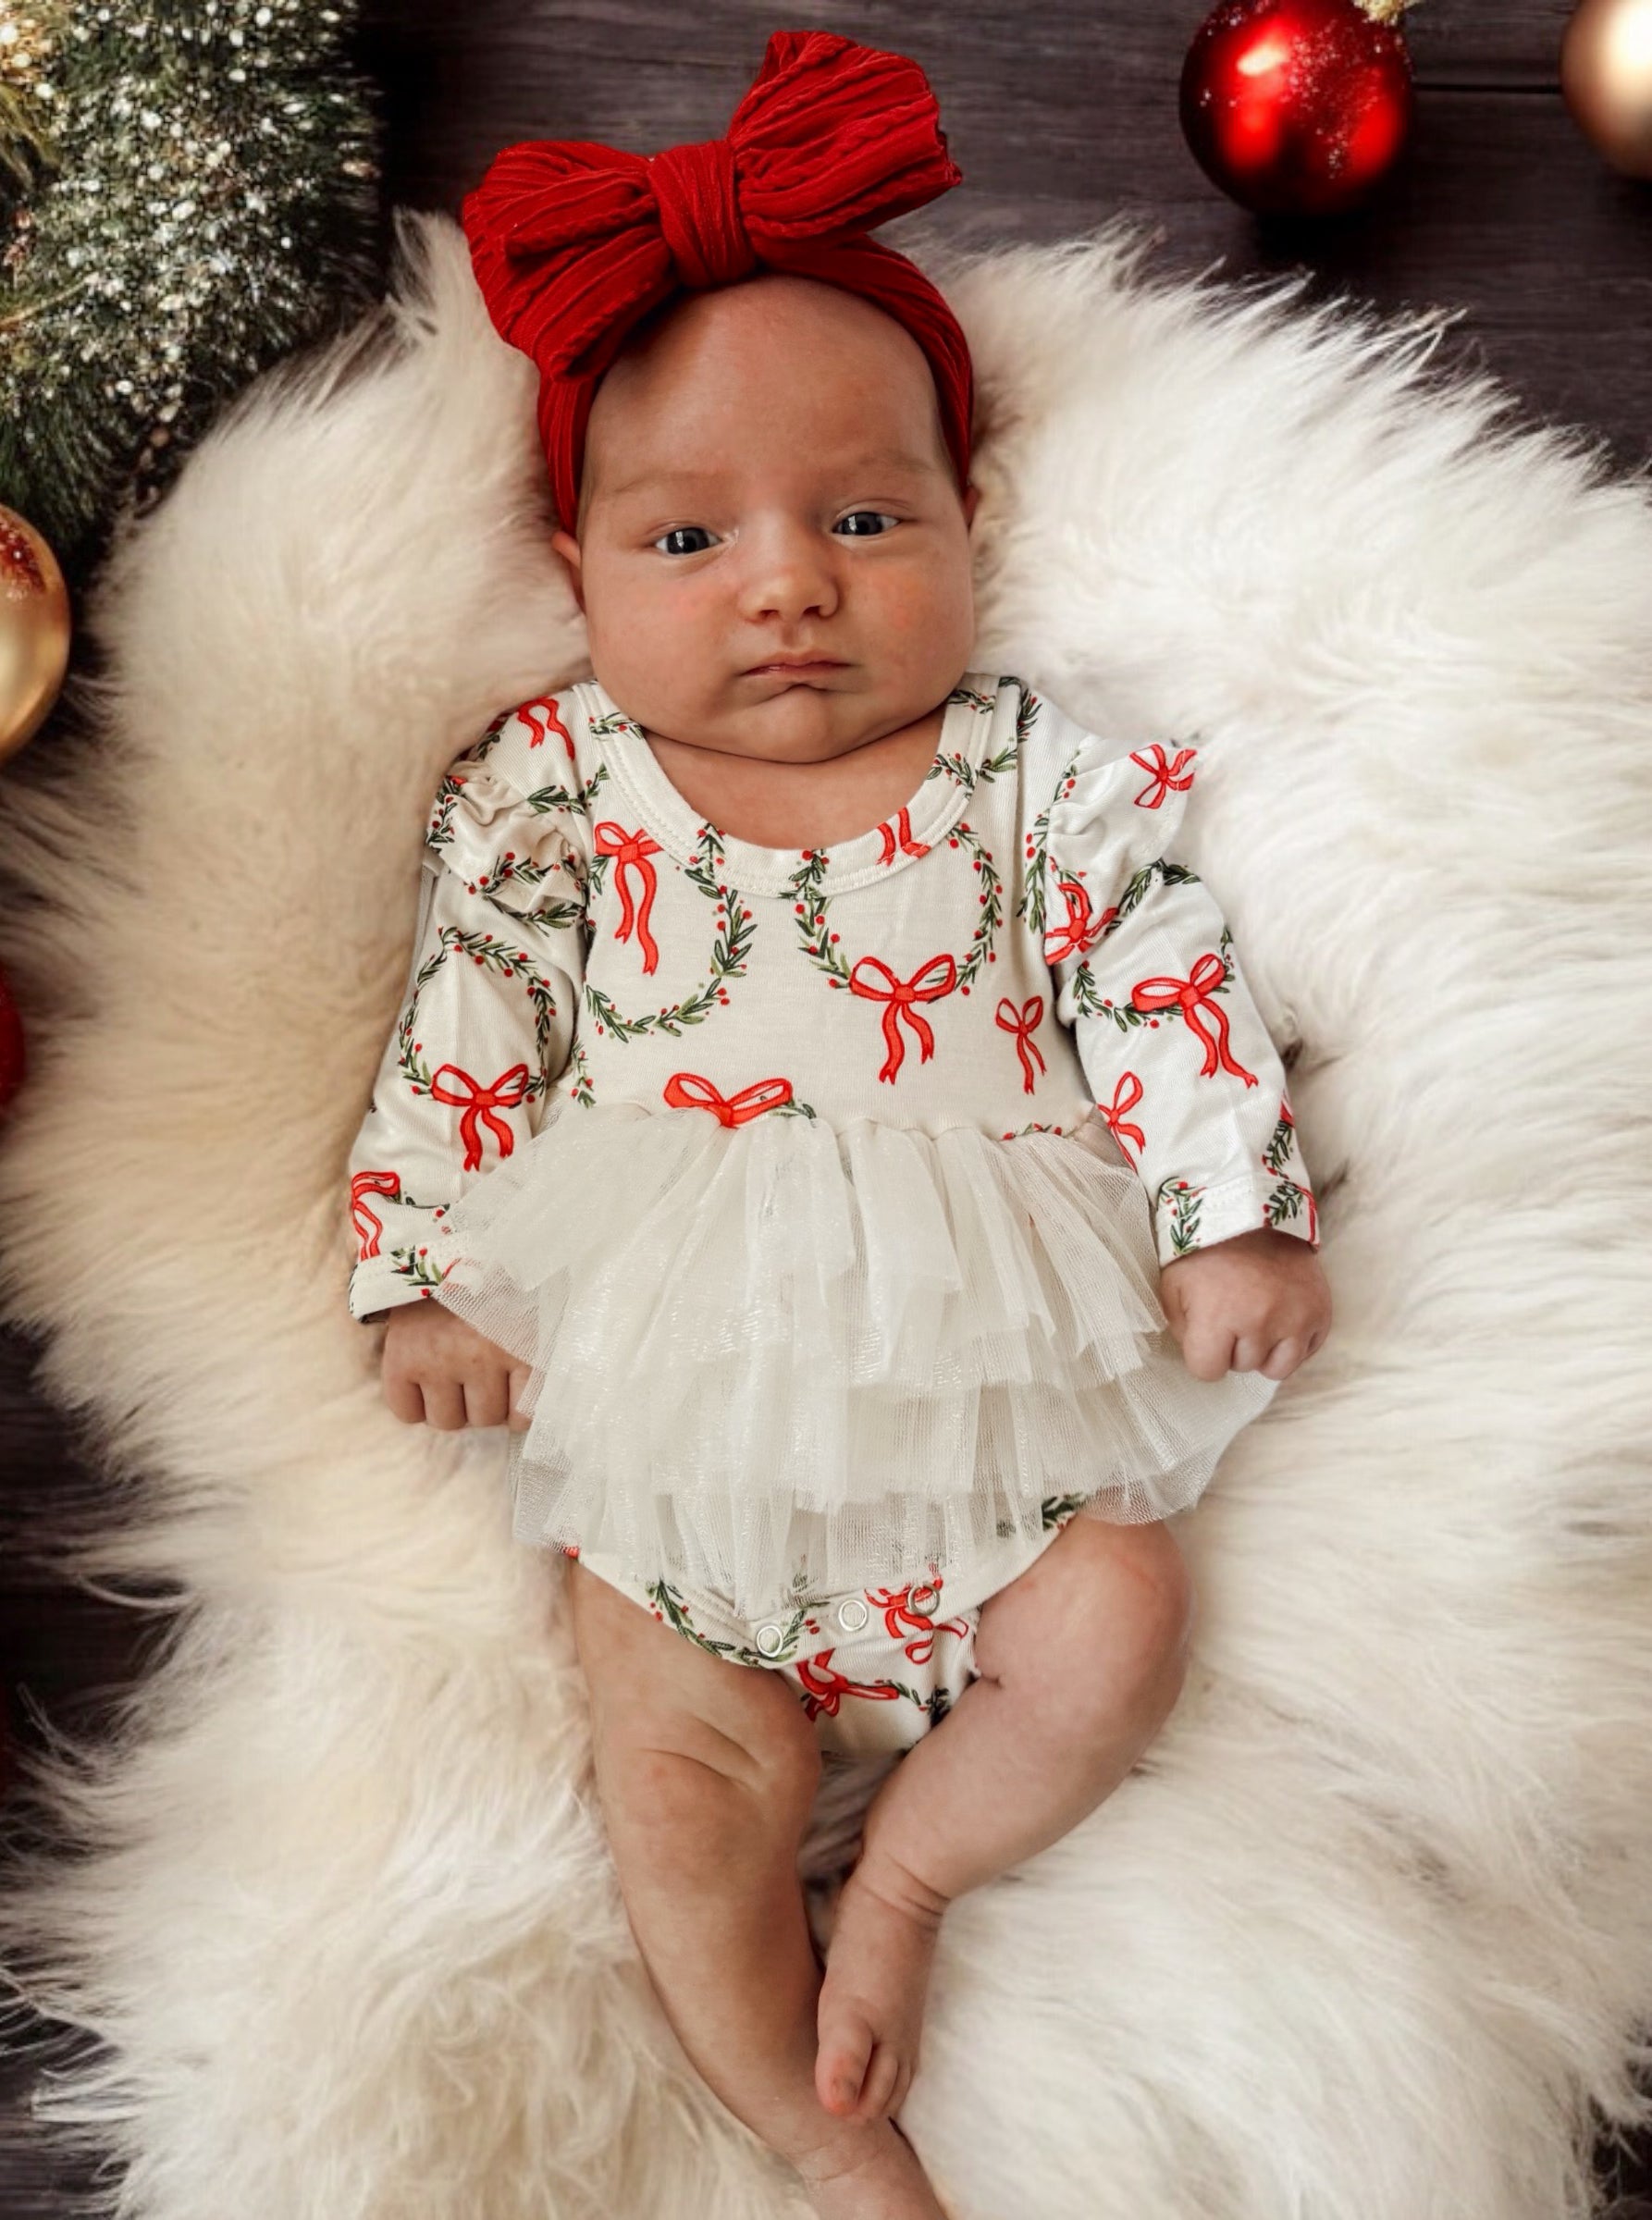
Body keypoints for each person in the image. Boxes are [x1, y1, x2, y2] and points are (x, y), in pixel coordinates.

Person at [343, 31, 1333, 2220]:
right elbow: (466, 1023)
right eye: (685, 534)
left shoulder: (1027, 775)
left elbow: (1161, 977)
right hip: (681, 1421)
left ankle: (905, 1877)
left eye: (865, 518)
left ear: (968, 530)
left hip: (995, 1402)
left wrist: (1221, 1211)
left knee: (1115, 1625)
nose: (783, 582)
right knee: (675, 1770)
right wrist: (414, 1260)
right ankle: (808, 2121)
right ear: (578, 570)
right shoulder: (553, 788)